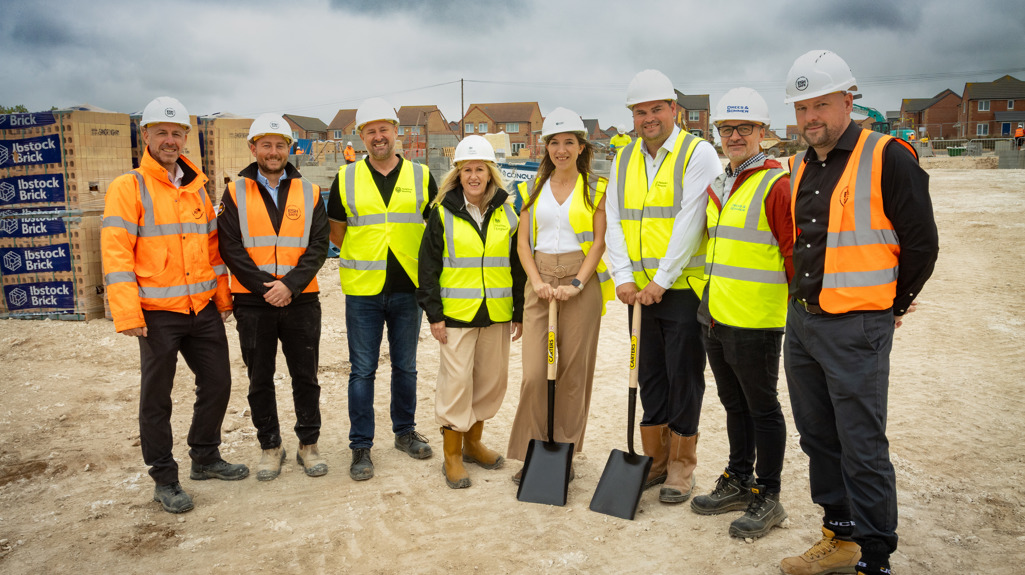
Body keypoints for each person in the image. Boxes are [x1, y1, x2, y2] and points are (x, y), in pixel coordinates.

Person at [780, 50, 938, 575]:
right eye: (802, 109)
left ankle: (875, 556)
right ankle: (839, 535)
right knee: (817, 436)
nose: (810, 119)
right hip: (803, 322)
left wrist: (893, 304)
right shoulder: (799, 162)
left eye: (820, 105)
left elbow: (921, 244)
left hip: (857, 326)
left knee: (862, 445)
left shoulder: (888, 155)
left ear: (849, 100)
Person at [101, 97, 248, 514]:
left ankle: (204, 455)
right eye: (161, 133)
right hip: (156, 313)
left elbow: (213, 249)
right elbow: (116, 256)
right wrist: (128, 313)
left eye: (177, 134)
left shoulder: (197, 188)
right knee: (157, 398)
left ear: (187, 138)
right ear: (144, 135)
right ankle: (164, 478)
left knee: (218, 382)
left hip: (200, 309)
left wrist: (222, 299)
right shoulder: (128, 188)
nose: (170, 140)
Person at [605, 69, 723, 505]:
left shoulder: (698, 153)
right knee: (648, 372)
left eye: (657, 109)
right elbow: (614, 220)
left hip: (683, 287)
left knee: (684, 375)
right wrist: (622, 278)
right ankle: (654, 459)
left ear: (674, 109)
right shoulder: (622, 159)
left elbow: (690, 221)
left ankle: (681, 465)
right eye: (641, 111)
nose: (648, 118)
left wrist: (661, 280)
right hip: (637, 292)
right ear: (632, 116)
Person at [688, 88, 793, 540]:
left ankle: (768, 495)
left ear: (762, 134)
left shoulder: (777, 185)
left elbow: (794, 257)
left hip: (756, 322)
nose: (734, 136)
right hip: (716, 318)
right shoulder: (720, 185)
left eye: (744, 128)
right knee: (734, 405)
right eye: (727, 129)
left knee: (762, 408)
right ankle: (738, 478)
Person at [328, 97, 437, 481]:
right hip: (364, 289)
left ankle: (404, 433)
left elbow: (435, 229)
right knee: (362, 370)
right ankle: (361, 447)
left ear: (396, 132)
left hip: (409, 289)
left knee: (406, 367)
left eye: (384, 129)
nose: (378, 136)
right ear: (361, 136)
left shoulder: (422, 176)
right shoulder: (346, 178)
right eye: (370, 130)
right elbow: (336, 231)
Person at [217, 114, 330, 481]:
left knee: (305, 376)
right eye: (265, 144)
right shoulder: (235, 192)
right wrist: (267, 287)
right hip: (253, 301)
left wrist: (290, 285)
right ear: (253, 149)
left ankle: (308, 446)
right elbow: (230, 247)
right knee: (260, 378)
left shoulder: (310, 192)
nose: (273, 151)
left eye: (280, 144)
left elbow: (318, 246)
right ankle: (270, 447)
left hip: (300, 299)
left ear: (289, 149)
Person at [505, 107, 613, 483]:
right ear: (545, 147)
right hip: (540, 283)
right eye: (555, 142)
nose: (561, 150)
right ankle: (534, 452)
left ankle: (563, 454)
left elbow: (599, 243)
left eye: (569, 142)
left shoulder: (597, 188)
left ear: (582, 147)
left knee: (571, 376)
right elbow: (521, 245)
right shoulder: (529, 189)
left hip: (580, 285)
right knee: (535, 374)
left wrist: (578, 284)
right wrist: (535, 282)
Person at [417, 135, 525, 489]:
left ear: (491, 172)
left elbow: (518, 264)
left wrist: (519, 310)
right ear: (458, 174)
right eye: (467, 170)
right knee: (457, 383)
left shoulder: (508, 212)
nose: (474, 176)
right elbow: (428, 266)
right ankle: (451, 454)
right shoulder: (441, 212)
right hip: (457, 314)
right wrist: (434, 314)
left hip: (497, 312)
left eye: (480, 169)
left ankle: (473, 443)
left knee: (490, 381)